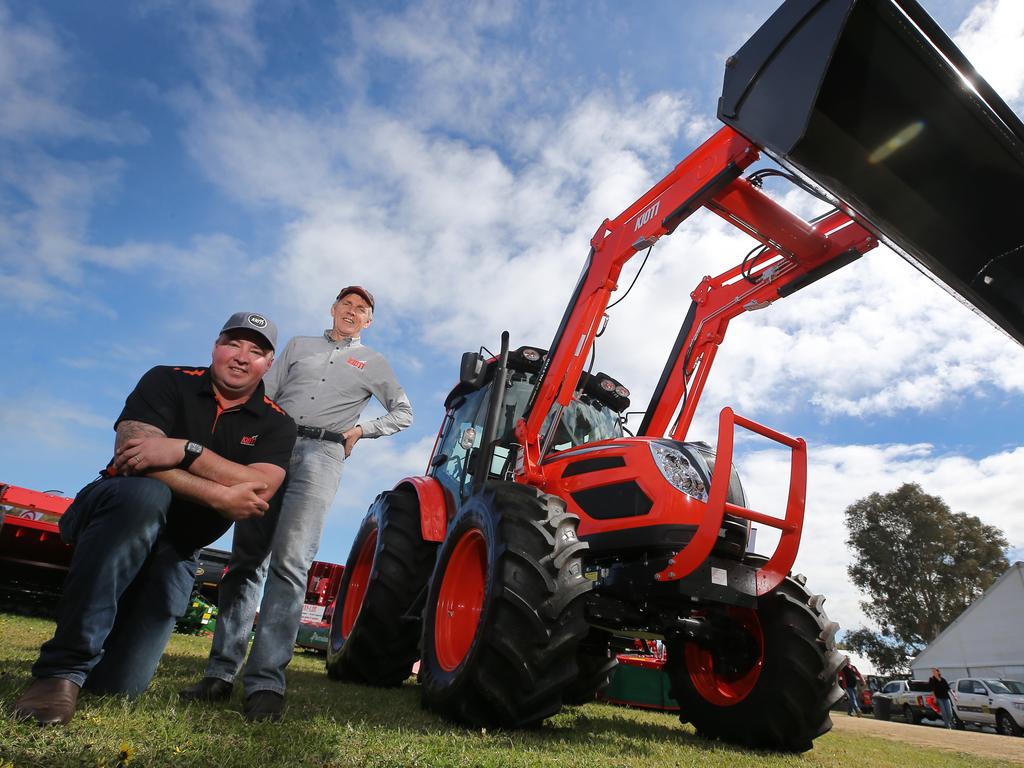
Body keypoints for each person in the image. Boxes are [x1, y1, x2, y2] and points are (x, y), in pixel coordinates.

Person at [12, 312, 296, 726]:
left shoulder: (277, 423)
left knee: (119, 688)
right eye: (233, 344)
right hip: (116, 511)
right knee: (145, 494)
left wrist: (185, 450)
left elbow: (259, 489)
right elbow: (133, 452)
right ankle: (60, 672)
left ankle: (102, 662)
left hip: (177, 550)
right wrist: (219, 492)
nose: (241, 357)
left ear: (268, 364)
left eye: (256, 351)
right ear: (215, 346)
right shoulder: (168, 379)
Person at [180, 286, 413, 721]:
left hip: (323, 456)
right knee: (247, 559)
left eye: (361, 309)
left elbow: (404, 412)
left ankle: (265, 683)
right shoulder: (298, 346)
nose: (352, 312)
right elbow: (265, 392)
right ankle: (219, 674)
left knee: (291, 563)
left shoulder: (374, 363)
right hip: (274, 446)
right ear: (333, 309)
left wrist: (362, 431)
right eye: (346, 304)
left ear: (368, 321)